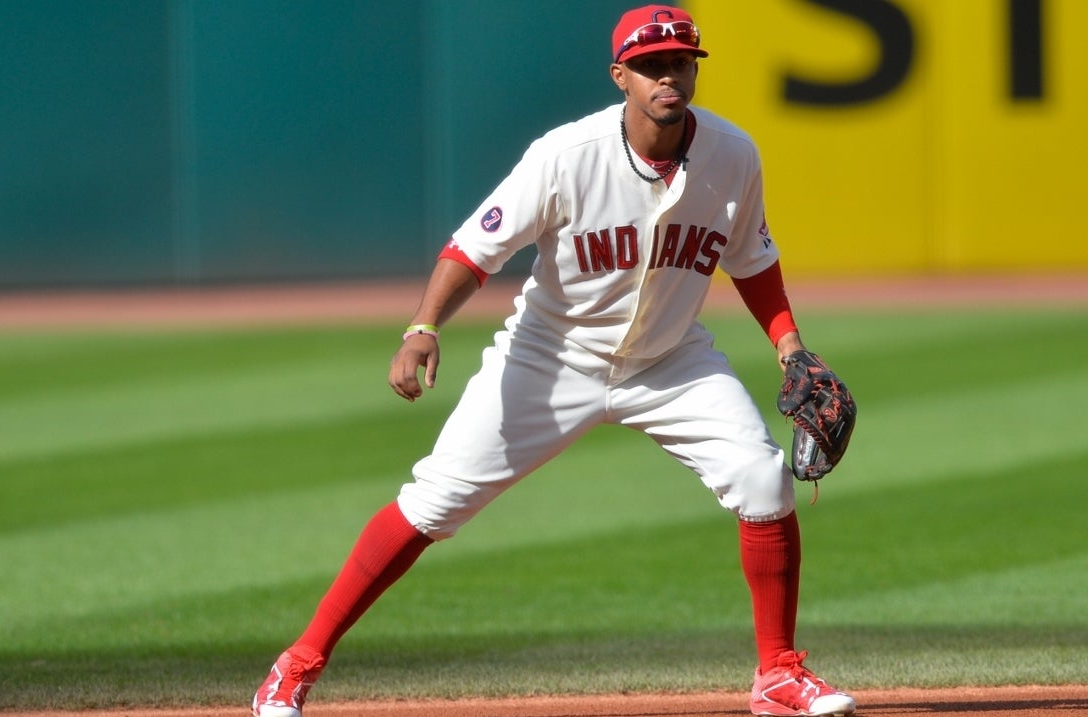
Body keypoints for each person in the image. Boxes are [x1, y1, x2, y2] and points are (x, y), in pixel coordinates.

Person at [250, 5, 856, 717]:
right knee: (432, 502)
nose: (669, 74)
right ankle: (295, 665)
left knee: (762, 478)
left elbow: (752, 262)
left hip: (670, 361)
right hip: (551, 357)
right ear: (620, 76)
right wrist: (423, 326)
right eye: (652, 64)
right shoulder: (565, 156)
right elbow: (473, 249)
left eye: (681, 61)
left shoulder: (733, 154)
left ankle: (778, 674)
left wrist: (789, 344)